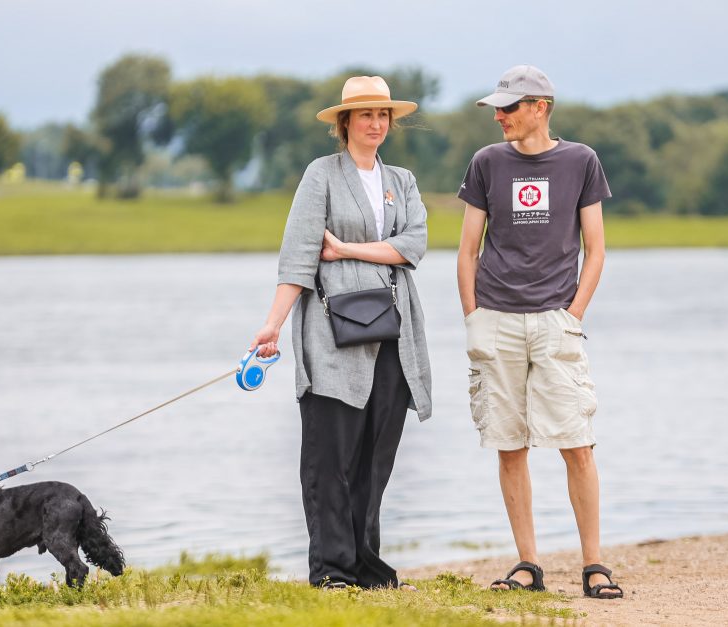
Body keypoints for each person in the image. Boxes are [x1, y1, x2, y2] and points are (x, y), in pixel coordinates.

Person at [249, 76, 431, 590]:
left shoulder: (403, 179)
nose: (376, 123)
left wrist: (349, 249)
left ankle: (367, 567)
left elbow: (413, 245)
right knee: (330, 458)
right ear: (344, 122)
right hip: (331, 332)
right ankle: (331, 570)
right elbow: (300, 255)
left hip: (395, 331)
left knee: (376, 456)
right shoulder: (321, 175)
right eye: (365, 114)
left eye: (383, 115)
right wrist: (273, 323)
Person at [456, 65, 624, 599]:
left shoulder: (581, 161)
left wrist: (572, 315)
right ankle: (528, 564)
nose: (500, 116)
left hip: (555, 320)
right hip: (496, 320)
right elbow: (467, 251)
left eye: (510, 106)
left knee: (576, 443)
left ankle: (594, 565)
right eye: (497, 108)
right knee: (509, 446)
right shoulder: (487, 162)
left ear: (541, 106)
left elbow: (594, 249)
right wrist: (473, 316)